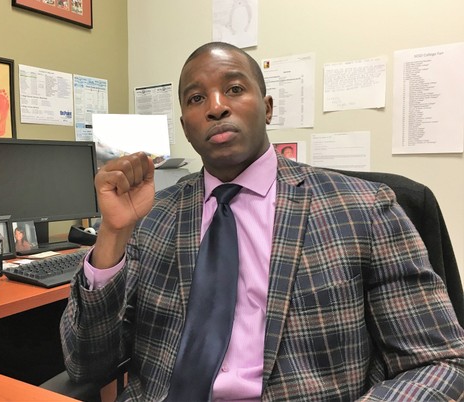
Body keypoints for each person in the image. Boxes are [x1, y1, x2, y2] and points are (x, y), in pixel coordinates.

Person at [61, 42, 464, 400]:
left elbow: (440, 361)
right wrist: (112, 235)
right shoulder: (152, 217)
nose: (216, 106)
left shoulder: (363, 208)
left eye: (234, 89)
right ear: (185, 127)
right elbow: (86, 366)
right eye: (196, 98)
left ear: (268, 108)